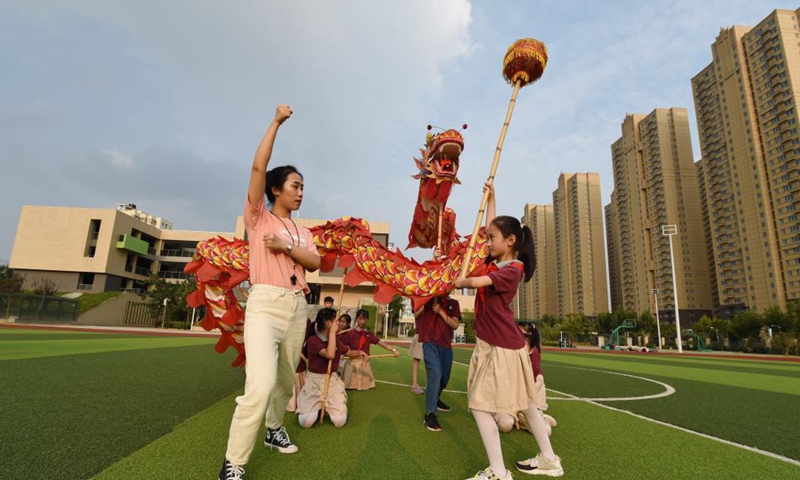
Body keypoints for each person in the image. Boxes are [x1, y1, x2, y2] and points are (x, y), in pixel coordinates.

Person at [218, 105, 322, 480]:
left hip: (298, 307)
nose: (300, 193)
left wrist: (286, 247)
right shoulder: (258, 216)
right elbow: (258, 169)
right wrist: (276, 122)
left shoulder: (304, 232)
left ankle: (273, 430)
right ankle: (233, 463)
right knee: (259, 386)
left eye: (303, 188)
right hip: (264, 305)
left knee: (282, 382)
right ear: (276, 189)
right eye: (295, 186)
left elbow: (315, 264)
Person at [454, 183, 564, 479]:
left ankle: (499, 473)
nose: (487, 242)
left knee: (480, 406)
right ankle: (550, 460)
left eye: (492, 238)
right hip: (503, 345)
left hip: (501, 347)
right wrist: (493, 199)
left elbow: (478, 284)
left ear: (511, 240)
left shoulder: (511, 269)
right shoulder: (498, 261)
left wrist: (460, 281)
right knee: (527, 403)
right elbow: (495, 231)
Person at [296, 308, 366, 428]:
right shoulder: (313, 340)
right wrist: (333, 333)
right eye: (336, 320)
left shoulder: (335, 340)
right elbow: (330, 354)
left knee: (339, 421)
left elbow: (348, 352)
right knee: (306, 422)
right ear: (329, 323)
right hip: (315, 381)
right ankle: (317, 408)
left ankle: (328, 408)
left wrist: (360, 352)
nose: (339, 323)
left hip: (332, 380)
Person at [494, 323, 557, 436]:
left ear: (531, 349)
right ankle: (521, 418)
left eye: (522, 335)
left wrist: (520, 409)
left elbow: (529, 392)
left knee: (545, 431)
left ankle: (534, 418)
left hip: (526, 400)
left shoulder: (533, 358)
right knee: (506, 424)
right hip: (506, 401)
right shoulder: (505, 351)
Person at [415, 293, 461, 432]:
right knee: (435, 374)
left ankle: (436, 398)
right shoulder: (427, 299)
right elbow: (416, 314)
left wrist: (440, 311)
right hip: (429, 343)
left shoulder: (454, 303)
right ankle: (430, 413)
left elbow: (455, 324)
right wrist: (426, 303)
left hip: (446, 345)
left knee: (444, 378)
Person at [341, 309, 399, 390]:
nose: (362, 321)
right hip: (351, 361)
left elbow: (380, 343)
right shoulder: (350, 333)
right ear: (356, 319)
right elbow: (343, 346)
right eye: (360, 319)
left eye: (364, 319)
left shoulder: (369, 334)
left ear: (367, 320)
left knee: (366, 385)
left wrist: (394, 350)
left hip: (364, 361)